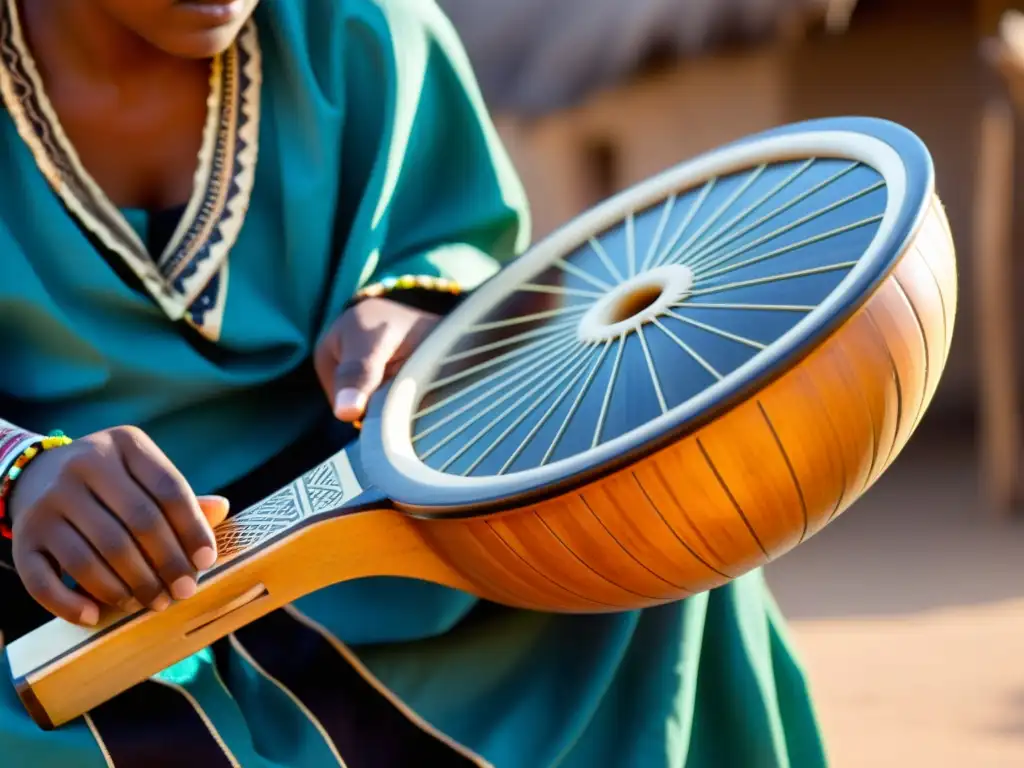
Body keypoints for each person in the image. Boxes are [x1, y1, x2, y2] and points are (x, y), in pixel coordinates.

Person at [0, 0, 829, 765]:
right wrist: (21, 474)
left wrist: (420, 311)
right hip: (71, 590)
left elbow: (461, 246)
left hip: (372, 524)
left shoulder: (361, 25)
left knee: (657, 543)